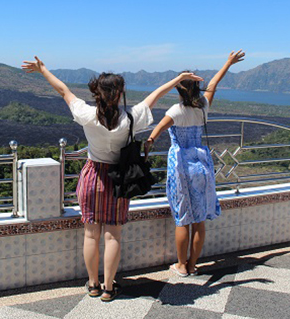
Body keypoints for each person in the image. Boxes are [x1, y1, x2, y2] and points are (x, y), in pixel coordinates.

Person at [22, 56, 203, 301]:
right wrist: (179, 79)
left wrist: (43, 70)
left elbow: (63, 90)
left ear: (98, 93)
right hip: (119, 180)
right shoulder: (130, 119)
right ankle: (108, 287)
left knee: (90, 234)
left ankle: (93, 284)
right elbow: (156, 95)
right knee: (112, 235)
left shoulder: (87, 115)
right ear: (119, 94)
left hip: (92, 176)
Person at [144, 50, 245, 276]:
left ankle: (181, 266)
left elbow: (157, 131)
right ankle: (192, 265)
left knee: (183, 219)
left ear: (178, 90)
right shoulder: (203, 107)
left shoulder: (175, 111)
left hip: (181, 165)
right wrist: (228, 62)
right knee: (199, 220)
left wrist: (147, 146)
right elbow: (214, 84)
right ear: (197, 89)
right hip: (201, 163)